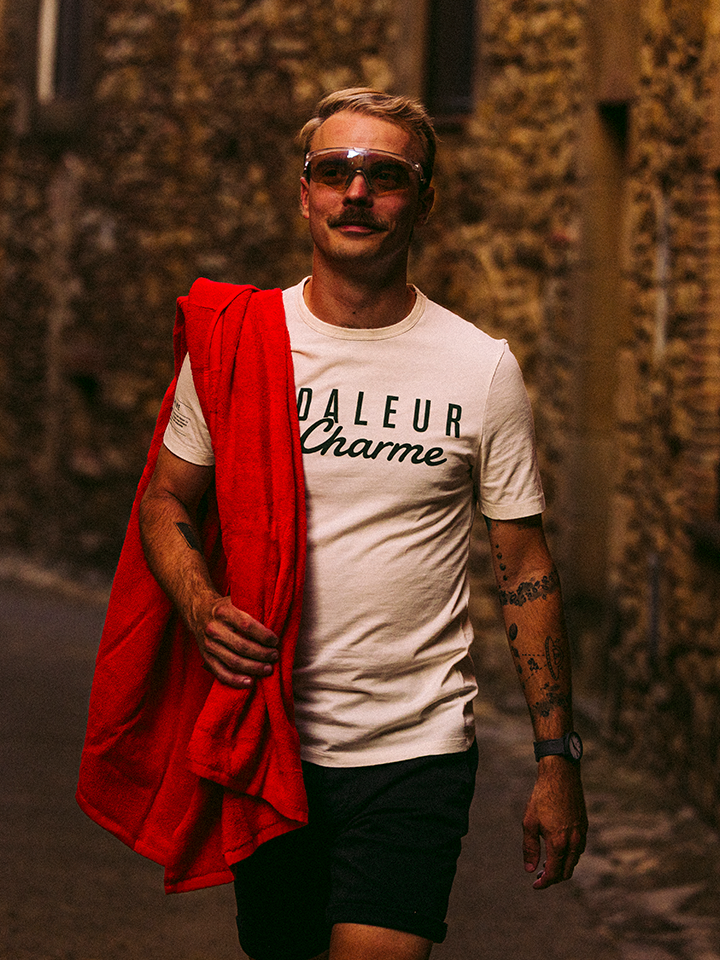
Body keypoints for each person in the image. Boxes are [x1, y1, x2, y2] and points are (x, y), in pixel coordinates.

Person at [87, 88, 587, 960]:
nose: (357, 193)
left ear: (423, 201)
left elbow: (524, 565)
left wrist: (557, 758)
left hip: (415, 746)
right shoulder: (239, 344)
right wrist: (201, 604)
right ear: (305, 192)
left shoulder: (480, 368)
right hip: (268, 739)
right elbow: (165, 500)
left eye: (386, 176)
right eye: (334, 171)